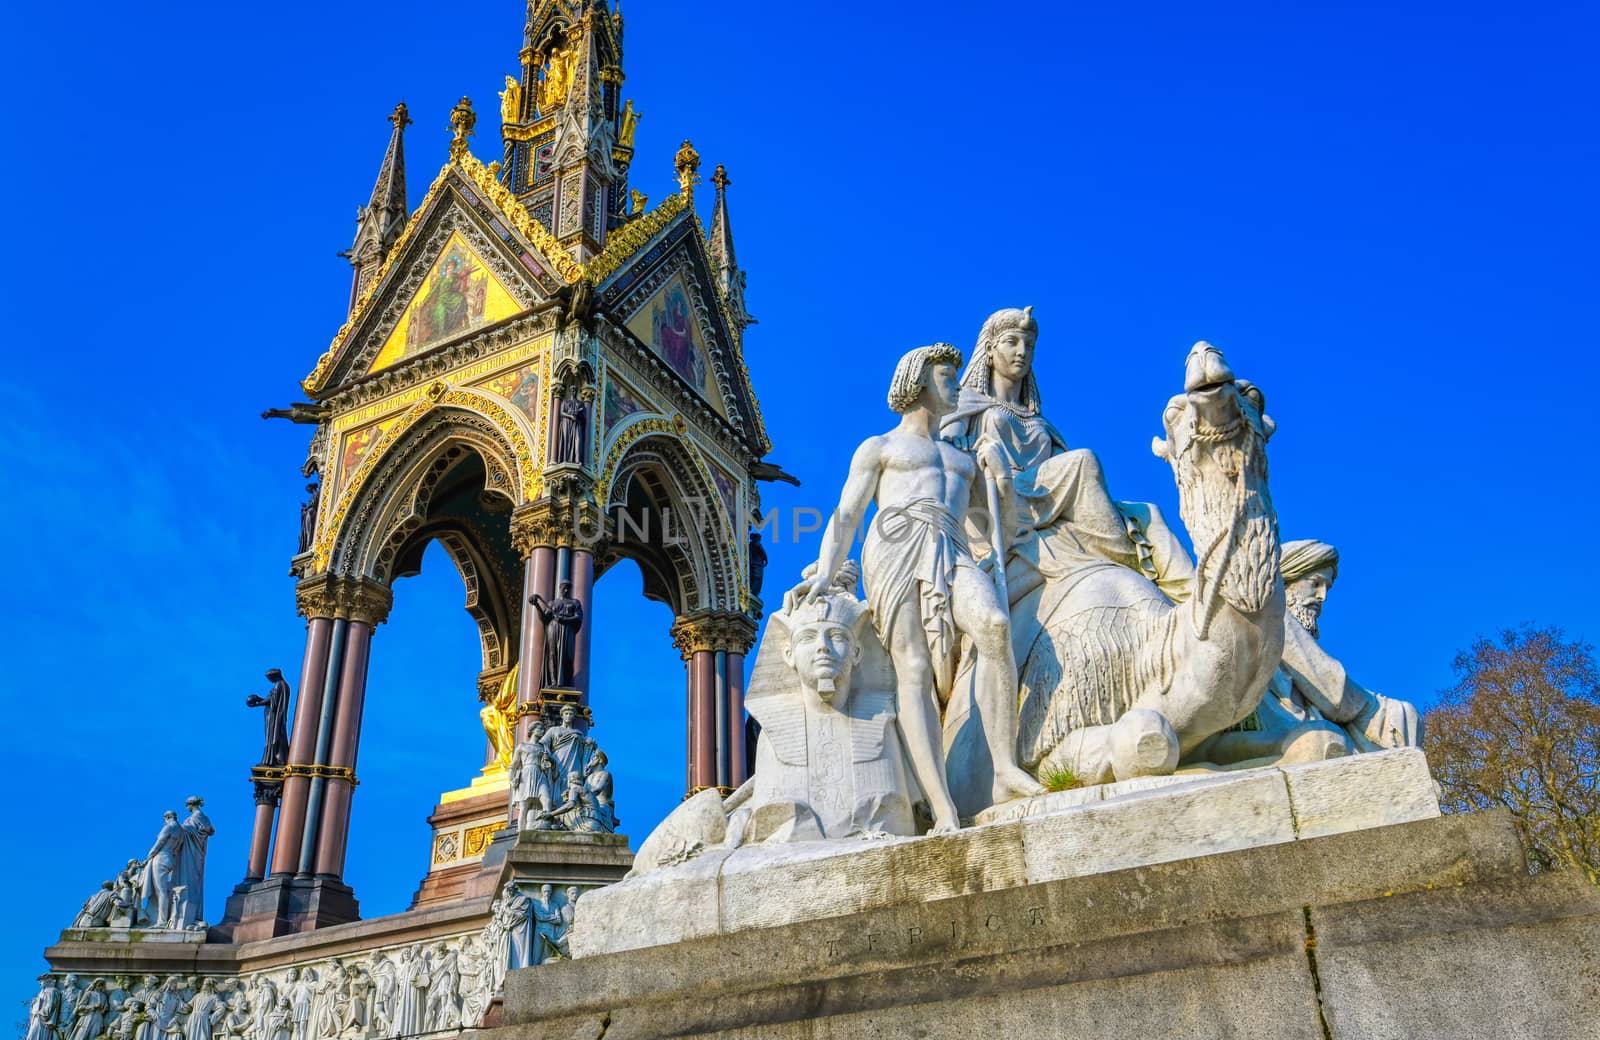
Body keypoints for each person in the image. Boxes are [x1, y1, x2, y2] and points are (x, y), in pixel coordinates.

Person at [797, 344, 1042, 830]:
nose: (957, 385)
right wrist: (827, 572)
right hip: (895, 547)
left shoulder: (963, 458)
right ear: (921, 381)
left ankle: (1004, 770)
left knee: (993, 626)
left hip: (951, 547)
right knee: (912, 667)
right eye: (948, 376)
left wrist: (1005, 482)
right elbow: (847, 514)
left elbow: (1002, 530)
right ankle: (942, 806)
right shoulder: (880, 447)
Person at [529, 584, 583, 689]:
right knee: (553, 654)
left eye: (568, 588)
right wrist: (537, 606)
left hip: (568, 630)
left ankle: (566, 682)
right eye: (564, 587)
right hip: (553, 629)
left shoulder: (575, 603)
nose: (566, 590)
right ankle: (554, 682)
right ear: (560, 589)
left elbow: (578, 618)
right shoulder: (552, 603)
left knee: (568, 656)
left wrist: (565, 620)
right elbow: (544, 618)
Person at [142, 811, 184, 927]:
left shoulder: (169, 827)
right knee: (162, 890)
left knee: (161, 891)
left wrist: (149, 856)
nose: (164, 821)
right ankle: (159, 917)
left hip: (161, 858)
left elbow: (159, 843)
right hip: (170, 858)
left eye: (165, 818)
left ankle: (162, 921)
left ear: (168, 817)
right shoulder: (181, 830)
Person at [176, 797, 214, 928]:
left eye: (187, 805)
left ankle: (188, 915)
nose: (186, 807)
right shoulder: (204, 817)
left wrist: (174, 826)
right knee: (193, 882)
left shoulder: (196, 817)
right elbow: (209, 830)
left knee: (188, 881)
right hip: (196, 854)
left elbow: (188, 830)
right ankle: (192, 914)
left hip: (190, 854)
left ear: (190, 805)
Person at [247, 670, 292, 768]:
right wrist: (260, 699)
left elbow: (272, 701)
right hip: (273, 717)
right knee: (276, 737)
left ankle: (274, 759)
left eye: (269, 678)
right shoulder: (283, 685)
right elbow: (272, 699)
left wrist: (258, 703)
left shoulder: (279, 685)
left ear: (274, 677)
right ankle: (277, 758)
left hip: (274, 718)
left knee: (273, 737)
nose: (269, 680)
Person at [26, 976, 59, 1040]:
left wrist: (40, 1013)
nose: (39, 983)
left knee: (34, 1036)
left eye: (41, 981)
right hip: (38, 1018)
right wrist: (34, 1004)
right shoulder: (42, 992)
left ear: (48, 981)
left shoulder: (51, 991)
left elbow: (51, 1005)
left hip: (43, 1020)